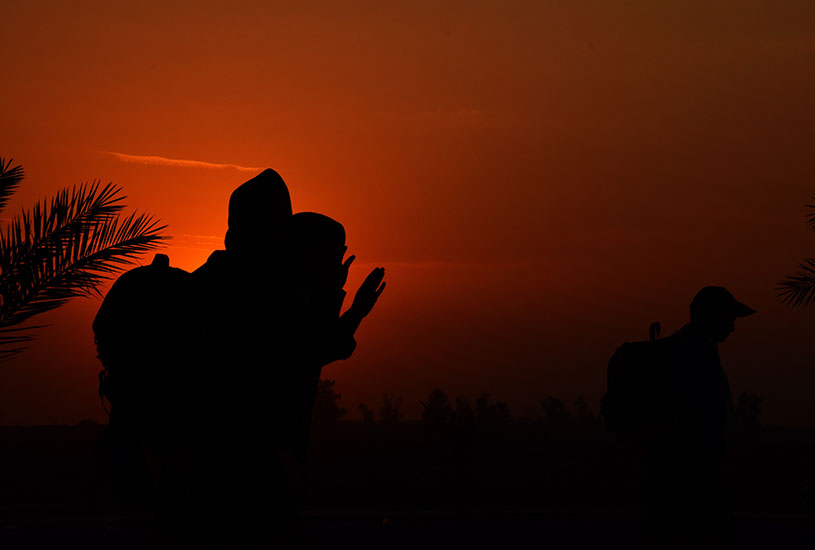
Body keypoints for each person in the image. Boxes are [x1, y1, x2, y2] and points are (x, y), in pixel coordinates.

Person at [651, 286, 755, 541]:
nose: (732, 328)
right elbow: (705, 421)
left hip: (677, 480)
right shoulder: (696, 354)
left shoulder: (680, 347)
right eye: (729, 319)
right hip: (693, 483)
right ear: (711, 316)